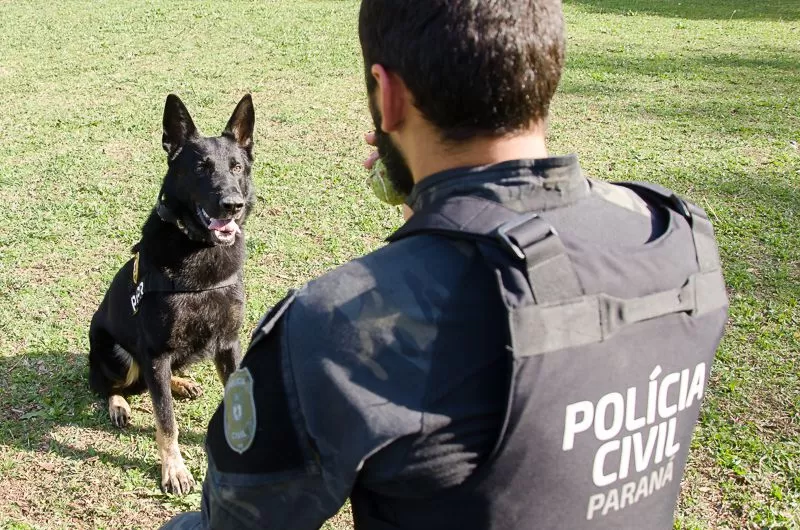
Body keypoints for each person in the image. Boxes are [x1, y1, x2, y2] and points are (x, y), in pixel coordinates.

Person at [162, 0, 729, 528]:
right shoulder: (680, 238)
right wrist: (436, 207)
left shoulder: (340, 323)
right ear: (545, 71)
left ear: (387, 96)